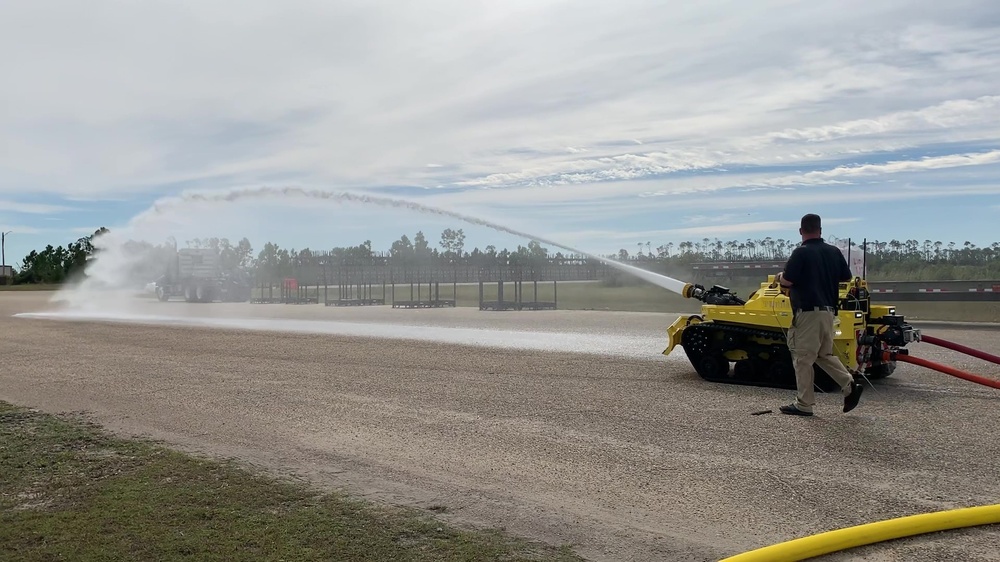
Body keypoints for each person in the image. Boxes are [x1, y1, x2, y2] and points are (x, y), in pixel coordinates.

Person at [774, 213, 863, 416]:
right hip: (829, 312)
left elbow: (787, 282)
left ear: (800, 231)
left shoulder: (801, 253)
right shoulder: (833, 252)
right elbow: (846, 276)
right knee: (824, 355)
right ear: (820, 230)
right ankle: (849, 385)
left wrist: (780, 276)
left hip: (807, 312)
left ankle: (804, 404)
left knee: (802, 358)